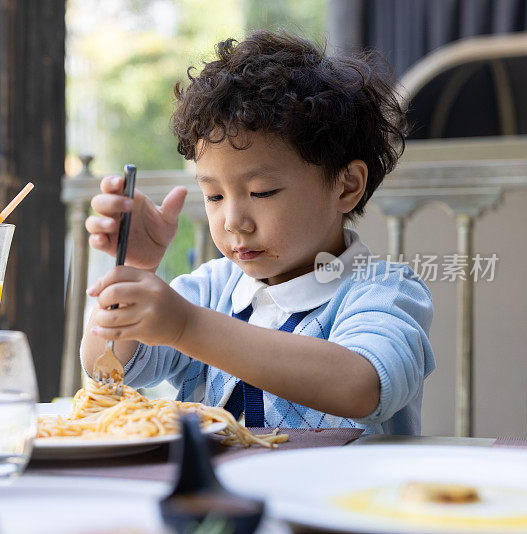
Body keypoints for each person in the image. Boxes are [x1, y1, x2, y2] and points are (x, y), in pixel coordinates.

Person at [81, 30, 434, 435]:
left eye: (261, 192)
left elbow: (361, 386)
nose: (233, 221)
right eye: (213, 195)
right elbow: (108, 370)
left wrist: (188, 328)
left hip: (341, 497)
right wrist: (138, 273)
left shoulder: (384, 290)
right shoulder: (211, 290)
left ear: (347, 185)